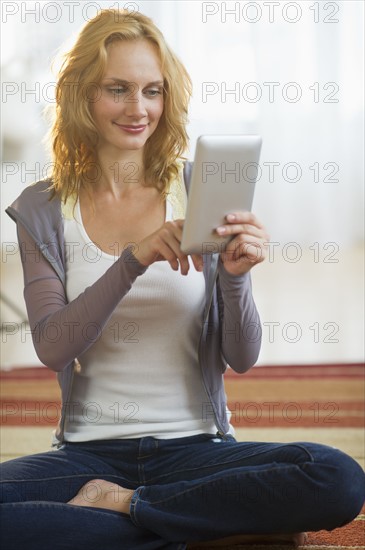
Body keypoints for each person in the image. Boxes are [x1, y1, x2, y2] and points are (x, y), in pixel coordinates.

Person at [1, 8, 364, 550]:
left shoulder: (199, 188)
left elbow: (241, 357)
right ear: (80, 96)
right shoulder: (44, 210)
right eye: (117, 89)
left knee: (335, 476)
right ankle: (207, 523)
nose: (138, 109)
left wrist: (237, 279)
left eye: (153, 90)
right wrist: (131, 261)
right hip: (89, 455)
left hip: (196, 450)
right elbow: (54, 348)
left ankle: (127, 509)